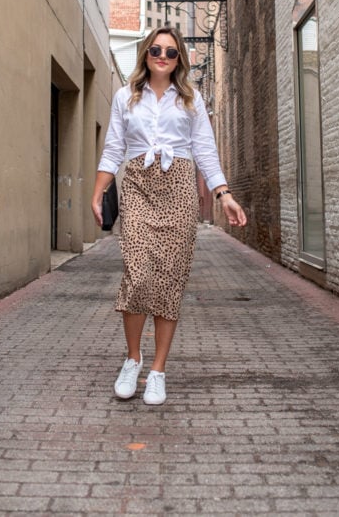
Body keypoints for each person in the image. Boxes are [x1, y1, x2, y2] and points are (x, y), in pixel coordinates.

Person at [91, 26, 247, 406]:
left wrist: (223, 194)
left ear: (179, 60)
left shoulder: (189, 100)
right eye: (156, 49)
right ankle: (133, 359)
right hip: (139, 187)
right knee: (138, 274)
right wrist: (98, 191)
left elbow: (205, 151)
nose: (162, 56)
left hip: (178, 188)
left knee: (169, 281)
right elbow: (113, 147)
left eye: (171, 52)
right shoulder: (125, 96)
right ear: (145, 52)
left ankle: (157, 370)